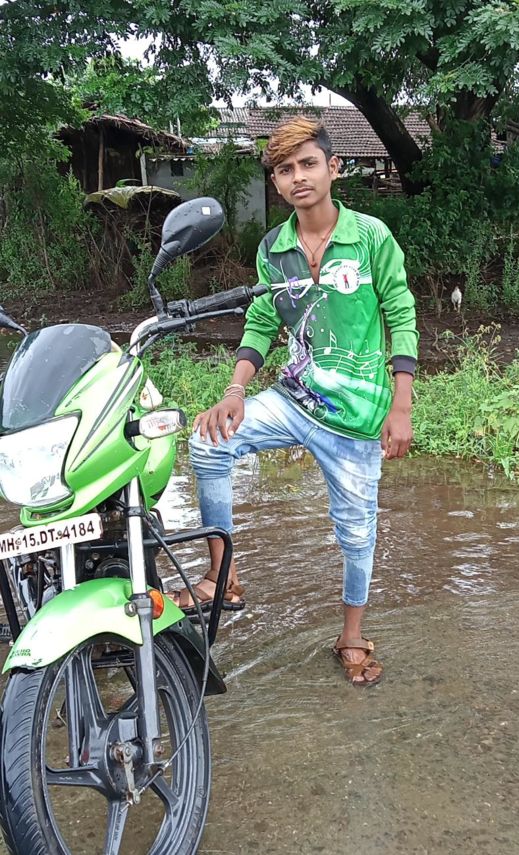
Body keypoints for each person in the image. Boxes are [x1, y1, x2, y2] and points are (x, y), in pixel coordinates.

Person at [169, 117, 419, 686]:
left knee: (356, 534)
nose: (298, 176)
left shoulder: (371, 237)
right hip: (293, 398)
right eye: (285, 169)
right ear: (277, 183)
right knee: (208, 443)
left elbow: (402, 314)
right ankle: (223, 576)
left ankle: (351, 635)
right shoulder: (274, 249)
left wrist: (401, 404)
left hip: (356, 418)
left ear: (334, 168)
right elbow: (261, 322)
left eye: (308, 163)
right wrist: (234, 391)